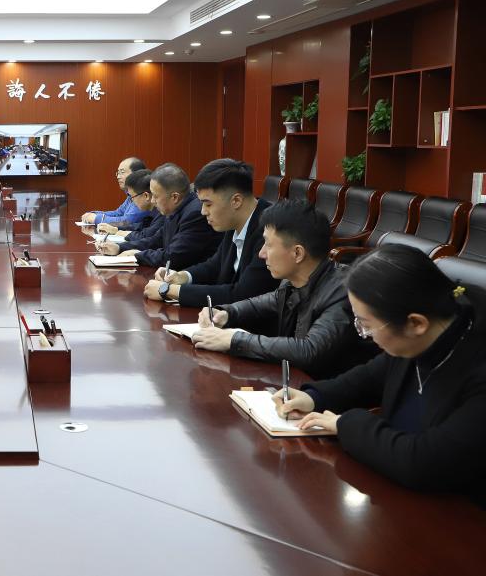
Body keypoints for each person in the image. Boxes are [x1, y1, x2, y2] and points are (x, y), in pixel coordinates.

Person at [275, 244, 486, 506]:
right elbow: (368, 378)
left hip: (460, 515)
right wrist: (314, 397)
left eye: (366, 325)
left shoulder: (477, 367)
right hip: (398, 495)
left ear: (416, 323)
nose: (363, 335)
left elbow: (423, 462)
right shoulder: (421, 339)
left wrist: (345, 425)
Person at [191, 199, 377, 379]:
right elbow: (263, 303)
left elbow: (309, 350)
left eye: (268, 244)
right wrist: (225, 313)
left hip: (324, 395)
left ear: (297, 253)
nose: (261, 253)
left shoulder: (343, 292)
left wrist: (233, 340)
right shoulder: (294, 281)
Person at [145, 159, 277, 306]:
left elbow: (243, 295)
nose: (203, 211)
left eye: (208, 204)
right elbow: (215, 265)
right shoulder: (234, 220)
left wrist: (169, 290)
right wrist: (182, 276)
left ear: (236, 201)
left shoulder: (271, 231)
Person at [99, 163, 221, 269]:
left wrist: (112, 227)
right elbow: (156, 239)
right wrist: (119, 247)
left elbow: (172, 256)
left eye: (155, 196)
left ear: (174, 197)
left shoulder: (193, 213)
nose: (152, 201)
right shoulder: (173, 208)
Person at [80, 157, 148, 227]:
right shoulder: (131, 194)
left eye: (122, 172)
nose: (118, 177)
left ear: (137, 174)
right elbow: (118, 213)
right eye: (118, 173)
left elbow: (127, 222)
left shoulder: (142, 195)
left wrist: (97, 219)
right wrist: (94, 214)